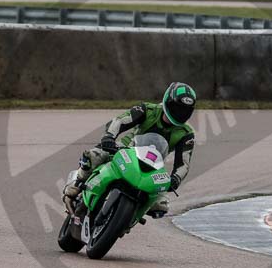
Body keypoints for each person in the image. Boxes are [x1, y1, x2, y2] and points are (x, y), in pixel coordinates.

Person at [64, 82, 197, 217]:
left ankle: (129, 219)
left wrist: (175, 179)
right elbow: (119, 121)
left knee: (160, 206)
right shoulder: (147, 109)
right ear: (167, 101)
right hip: (125, 150)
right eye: (177, 107)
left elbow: (184, 163)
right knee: (93, 156)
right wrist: (109, 137)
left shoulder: (186, 133)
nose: (180, 113)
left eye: (185, 111)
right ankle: (76, 184)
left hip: (153, 166)